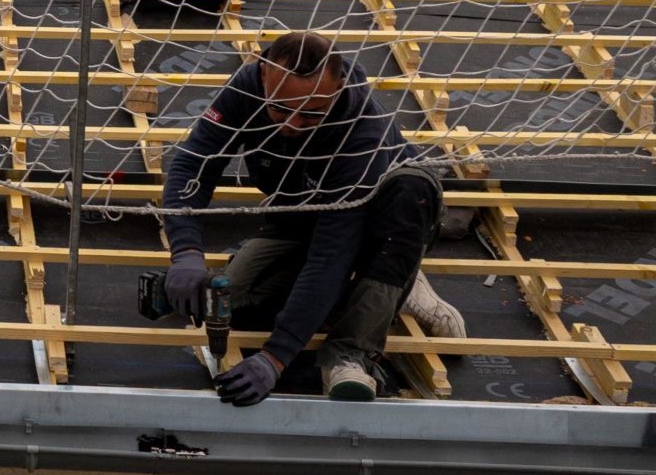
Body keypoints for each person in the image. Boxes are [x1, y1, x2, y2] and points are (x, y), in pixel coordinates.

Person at [160, 30, 465, 403]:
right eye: (279, 109)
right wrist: (186, 251)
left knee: (407, 194)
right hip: (300, 211)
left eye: (310, 114)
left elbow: (330, 254)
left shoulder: (362, 133)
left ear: (337, 89)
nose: (292, 124)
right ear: (263, 75)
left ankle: (354, 345)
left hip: (377, 224)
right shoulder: (247, 87)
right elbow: (194, 163)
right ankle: (394, 287)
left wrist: (276, 357)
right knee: (233, 303)